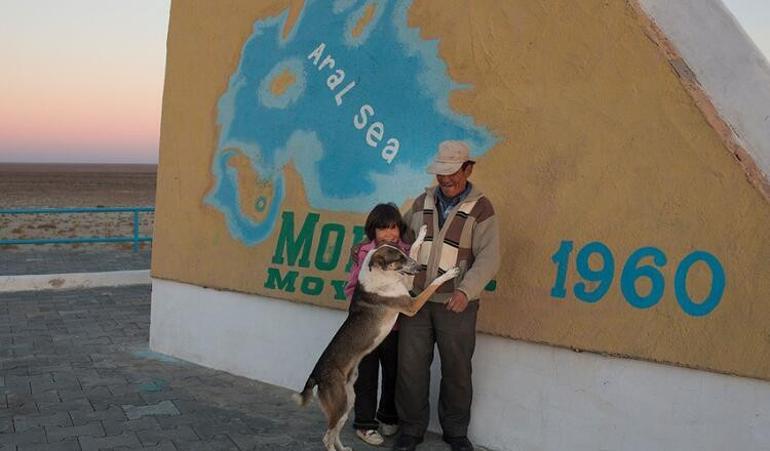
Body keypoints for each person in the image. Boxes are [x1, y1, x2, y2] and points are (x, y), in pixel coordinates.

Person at [394, 141, 500, 451]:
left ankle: (455, 433)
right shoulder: (420, 203)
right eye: (441, 174)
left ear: (468, 169)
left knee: (457, 371)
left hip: (457, 305)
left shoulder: (482, 208)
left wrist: (467, 291)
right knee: (410, 368)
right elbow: (401, 242)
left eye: (452, 173)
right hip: (417, 302)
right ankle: (410, 431)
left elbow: (489, 258)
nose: (445, 180)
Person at [345, 203, 410, 446]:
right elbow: (352, 285)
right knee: (367, 376)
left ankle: (388, 417)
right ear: (373, 231)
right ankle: (364, 424)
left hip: (393, 328)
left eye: (394, 228)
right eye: (383, 229)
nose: (389, 234)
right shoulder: (363, 253)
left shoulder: (406, 252)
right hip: (365, 329)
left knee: (394, 373)